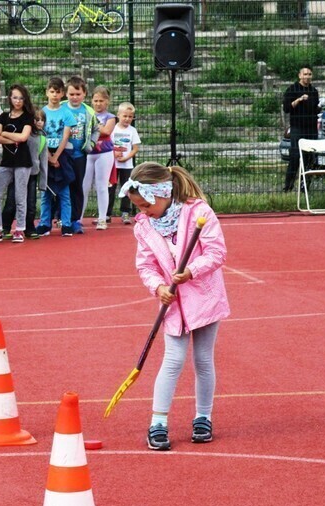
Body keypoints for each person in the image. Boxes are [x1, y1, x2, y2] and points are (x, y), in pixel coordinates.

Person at [119, 162, 230, 451]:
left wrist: (191, 270)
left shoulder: (199, 212)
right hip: (173, 302)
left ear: (162, 194)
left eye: (145, 205)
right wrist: (158, 287)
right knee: (173, 359)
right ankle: (158, 422)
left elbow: (217, 252)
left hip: (204, 296)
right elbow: (145, 265)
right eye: (138, 206)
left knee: (203, 359)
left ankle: (203, 417)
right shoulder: (143, 226)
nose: (143, 211)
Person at [0, 84, 35, 243]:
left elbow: (23, 138)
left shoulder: (28, 116)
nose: (18, 101)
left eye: (21, 98)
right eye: (15, 97)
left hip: (23, 162)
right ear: (10, 98)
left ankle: (20, 229)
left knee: (20, 196)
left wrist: (6, 134)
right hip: (6, 162)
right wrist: (11, 138)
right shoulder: (3, 117)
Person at [37, 77, 76, 237]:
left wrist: (56, 157)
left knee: (64, 193)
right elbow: (39, 135)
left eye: (58, 92)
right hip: (45, 152)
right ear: (47, 92)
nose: (54, 95)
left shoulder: (67, 113)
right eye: (51, 91)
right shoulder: (42, 113)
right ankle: (44, 223)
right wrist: (48, 157)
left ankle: (66, 224)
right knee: (45, 193)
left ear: (62, 94)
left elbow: (66, 137)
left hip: (62, 154)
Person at [2, 107, 46, 240]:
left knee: (30, 203)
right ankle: (5, 227)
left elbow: (43, 160)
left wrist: (43, 182)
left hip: (32, 174)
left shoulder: (42, 137)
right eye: (36, 119)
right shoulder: (23, 134)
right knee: (11, 201)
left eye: (42, 120)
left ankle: (29, 227)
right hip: (18, 172)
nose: (39, 122)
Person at [63, 76, 98, 235]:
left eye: (78, 94)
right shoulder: (61, 108)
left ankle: (75, 220)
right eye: (71, 94)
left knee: (77, 187)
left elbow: (97, 129)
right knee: (62, 186)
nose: (74, 97)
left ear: (84, 94)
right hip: (62, 154)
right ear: (66, 94)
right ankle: (62, 218)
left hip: (79, 156)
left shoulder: (89, 111)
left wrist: (90, 144)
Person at [83, 86, 117, 231]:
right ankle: (78, 218)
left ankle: (102, 218)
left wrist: (93, 127)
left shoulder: (111, 117)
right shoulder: (86, 113)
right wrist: (98, 128)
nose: (98, 104)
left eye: (101, 101)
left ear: (107, 101)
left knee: (102, 186)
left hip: (105, 153)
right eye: (95, 100)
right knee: (83, 187)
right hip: (87, 153)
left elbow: (106, 131)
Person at [282, 66, 320, 192]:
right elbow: (287, 108)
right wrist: (298, 100)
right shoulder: (292, 89)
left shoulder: (314, 91)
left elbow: (316, 109)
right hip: (297, 128)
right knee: (295, 157)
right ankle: (288, 187)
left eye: (309, 74)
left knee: (309, 158)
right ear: (299, 75)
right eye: (305, 74)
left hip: (311, 129)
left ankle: (305, 187)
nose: (307, 77)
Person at [110, 102, 141, 224]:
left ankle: (125, 212)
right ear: (118, 115)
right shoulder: (112, 128)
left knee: (126, 188)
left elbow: (135, 148)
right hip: (112, 165)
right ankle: (107, 213)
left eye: (130, 116)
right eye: (125, 116)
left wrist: (126, 157)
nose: (127, 119)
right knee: (110, 188)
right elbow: (108, 145)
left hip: (127, 165)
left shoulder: (132, 130)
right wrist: (114, 153)